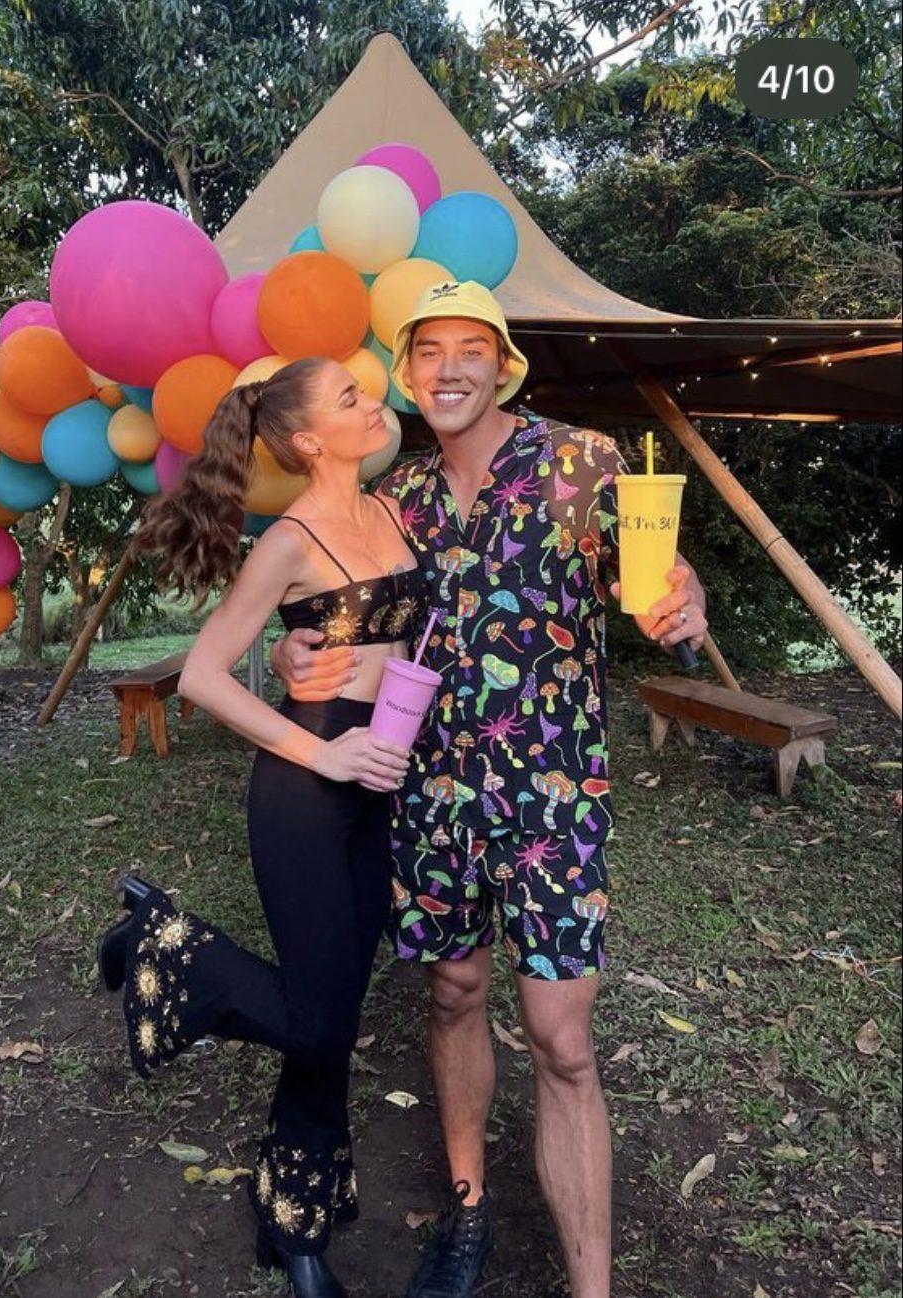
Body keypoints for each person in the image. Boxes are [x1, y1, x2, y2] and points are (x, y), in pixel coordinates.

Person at [271, 281, 708, 1298]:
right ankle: (467, 1208)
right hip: (426, 790)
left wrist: (675, 593)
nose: (451, 367)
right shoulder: (397, 499)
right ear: (408, 373)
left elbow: (650, 568)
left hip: (551, 793)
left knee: (561, 1040)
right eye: (430, 352)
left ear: (502, 365)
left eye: (474, 348)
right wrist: (299, 648)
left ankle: (590, 1284)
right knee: (453, 988)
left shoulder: (580, 461)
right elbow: (342, 620)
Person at [97, 356, 425, 1298]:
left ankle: (295, 1223)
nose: (377, 405)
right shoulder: (289, 538)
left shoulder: (388, 510)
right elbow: (203, 674)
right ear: (311, 439)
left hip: (378, 783)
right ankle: (162, 941)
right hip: (308, 788)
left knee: (332, 1021)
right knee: (318, 1018)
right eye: (353, 400)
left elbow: (395, 641)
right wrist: (321, 752)